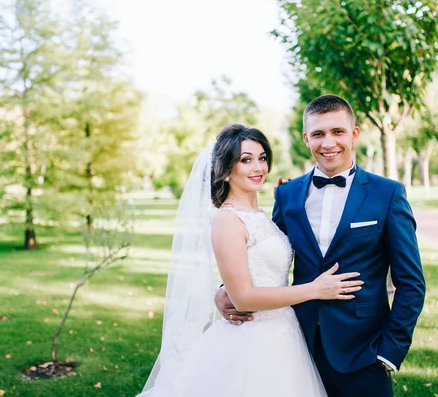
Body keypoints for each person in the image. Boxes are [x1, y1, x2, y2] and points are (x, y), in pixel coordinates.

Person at [215, 95, 426, 397]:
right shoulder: (288, 194)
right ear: (306, 138)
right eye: (318, 134)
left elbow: (412, 283)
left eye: (337, 132)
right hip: (297, 347)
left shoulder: (388, 194)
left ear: (354, 134)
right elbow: (266, 247)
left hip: (364, 352)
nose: (328, 143)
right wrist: (225, 289)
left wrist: (390, 351)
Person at [138, 124, 364, 397]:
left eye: (262, 158)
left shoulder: (262, 215)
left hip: (285, 335)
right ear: (226, 168)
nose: (258, 167)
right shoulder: (226, 219)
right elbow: (243, 298)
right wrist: (315, 290)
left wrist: (223, 289)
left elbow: (254, 265)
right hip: (251, 340)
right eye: (246, 160)